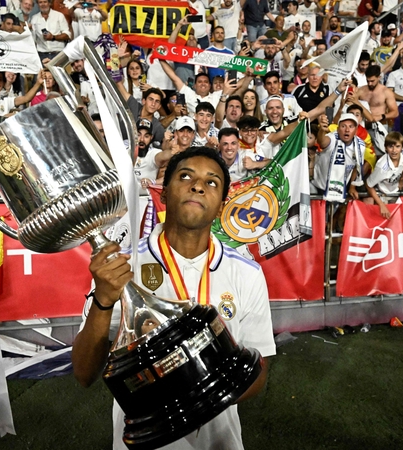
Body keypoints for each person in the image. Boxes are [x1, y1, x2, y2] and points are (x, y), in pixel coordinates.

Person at [72, 146, 275, 450]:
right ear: (164, 193)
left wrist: (192, 404)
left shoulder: (247, 272)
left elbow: (259, 370)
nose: (198, 186)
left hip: (220, 442)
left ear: (222, 205)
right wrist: (103, 300)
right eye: (185, 176)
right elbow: (85, 372)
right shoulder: (121, 267)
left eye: (212, 182)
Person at [365, 131, 403, 219]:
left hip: (395, 193)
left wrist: (401, 179)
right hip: (382, 194)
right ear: (385, 148)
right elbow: (368, 185)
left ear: (402, 148)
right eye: (390, 146)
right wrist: (381, 204)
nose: (394, 150)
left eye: (397, 146)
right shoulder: (382, 167)